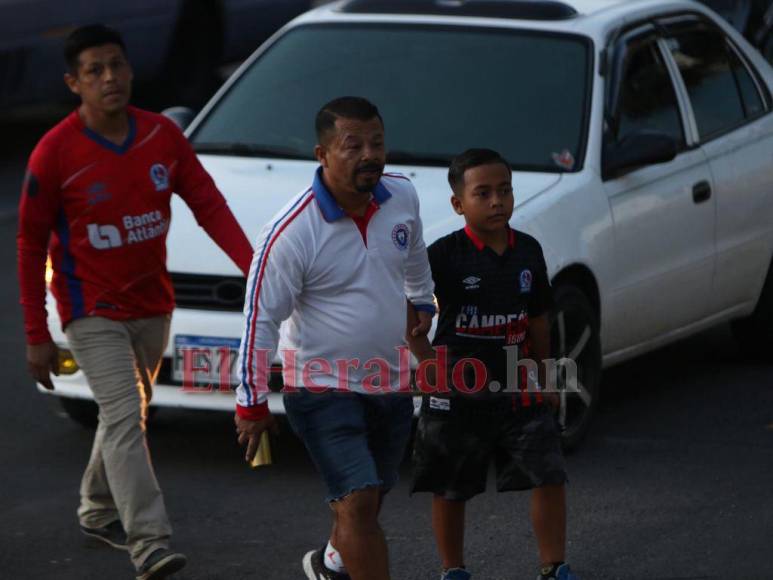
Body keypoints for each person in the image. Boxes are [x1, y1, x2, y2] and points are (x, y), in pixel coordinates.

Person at [16, 25, 253, 580]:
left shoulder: (161, 137)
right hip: (88, 308)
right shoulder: (53, 153)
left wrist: (255, 269)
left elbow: (209, 205)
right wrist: (34, 335)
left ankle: (97, 510)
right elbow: (29, 245)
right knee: (125, 415)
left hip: (153, 304)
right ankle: (148, 541)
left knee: (127, 415)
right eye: (94, 71)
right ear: (74, 83)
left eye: (116, 65)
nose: (109, 78)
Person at [234, 96, 435, 580]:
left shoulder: (402, 196)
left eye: (377, 143)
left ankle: (332, 563)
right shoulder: (292, 231)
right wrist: (251, 403)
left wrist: (424, 311)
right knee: (360, 501)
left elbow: (414, 265)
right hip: (320, 386)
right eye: (353, 145)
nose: (370, 154)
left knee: (370, 497)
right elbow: (259, 320)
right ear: (322, 154)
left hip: (389, 380)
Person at [406, 149, 578, 580]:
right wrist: (427, 362)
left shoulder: (529, 253)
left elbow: (538, 319)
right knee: (450, 486)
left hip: (518, 386)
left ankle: (554, 566)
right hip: (457, 389)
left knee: (549, 473)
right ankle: (453, 570)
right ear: (458, 204)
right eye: (483, 193)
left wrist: (547, 375)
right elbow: (409, 311)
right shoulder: (444, 255)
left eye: (504, 190)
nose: (497, 201)